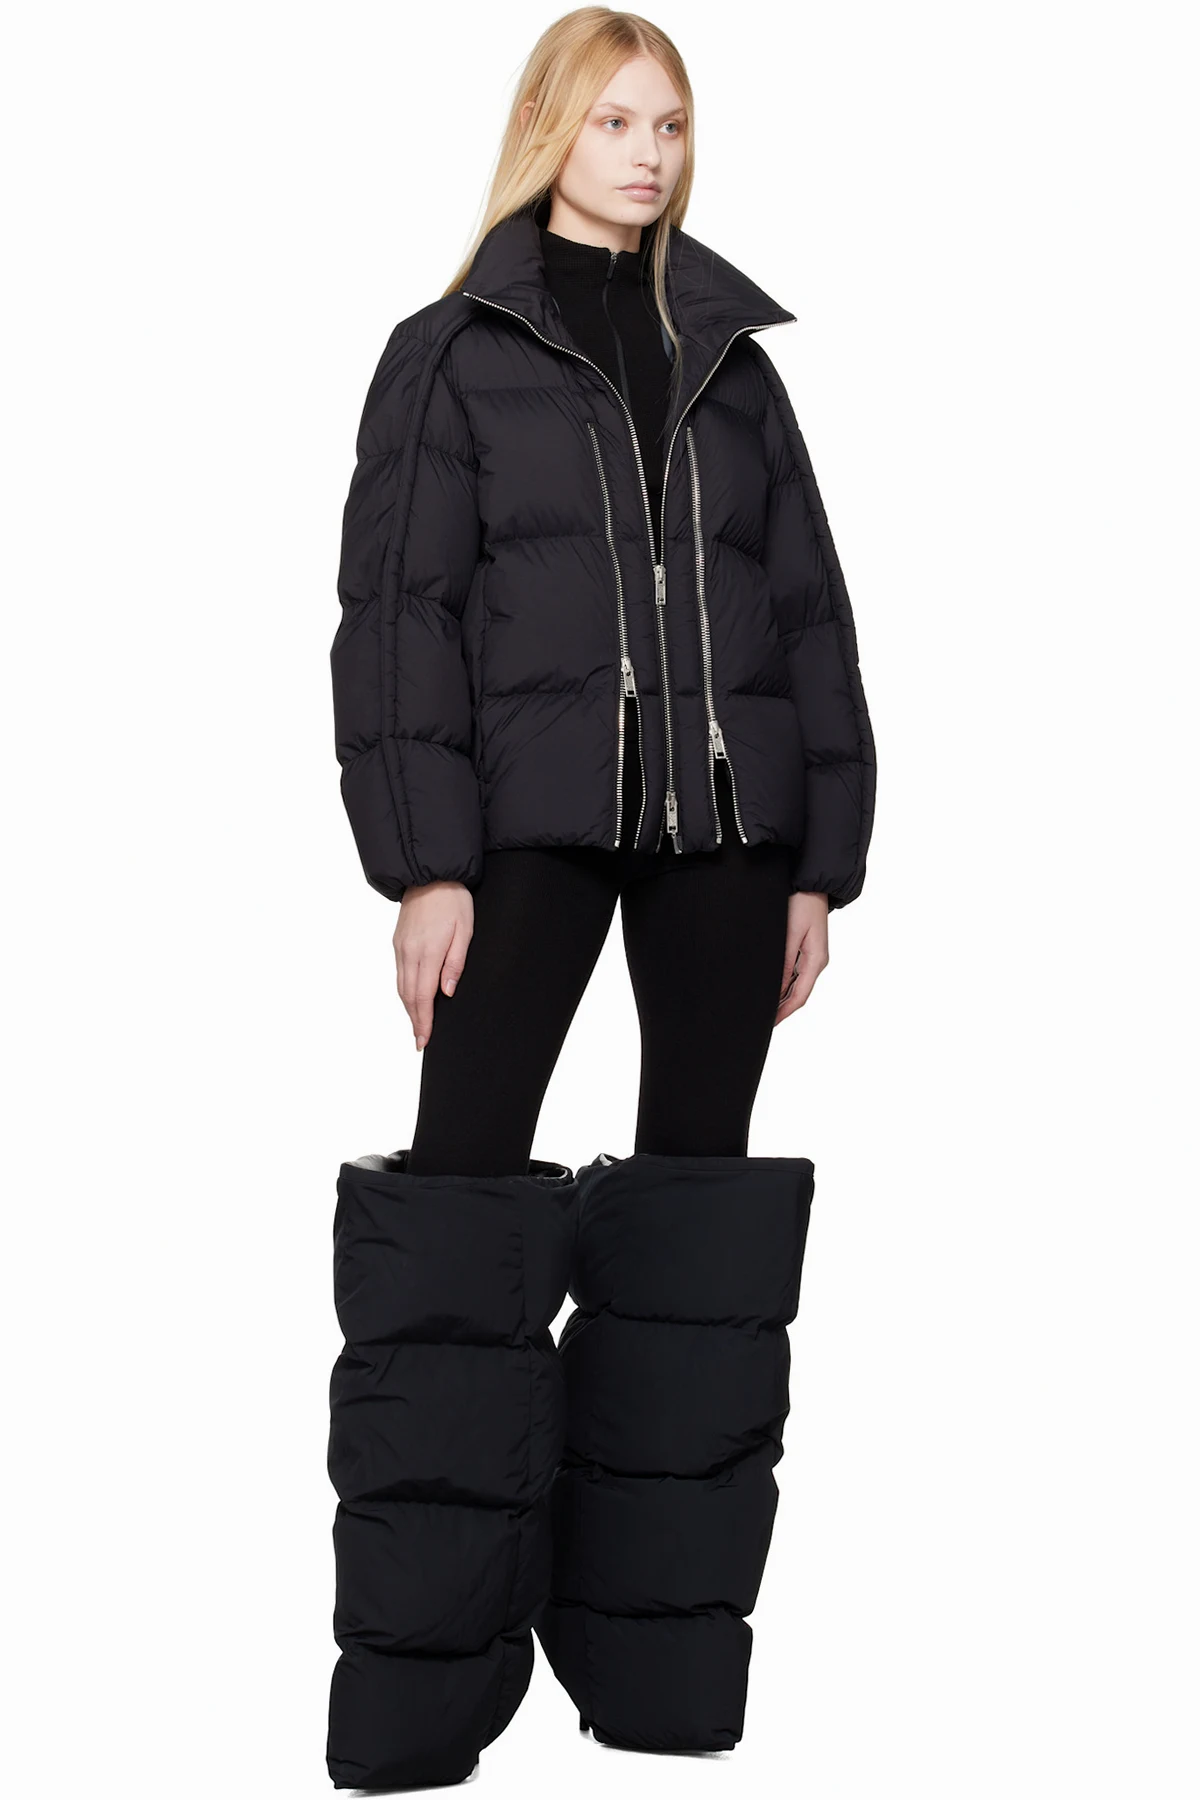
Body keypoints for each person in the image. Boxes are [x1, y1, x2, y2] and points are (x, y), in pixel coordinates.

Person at [325, 9, 876, 1790]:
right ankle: (420, 1699)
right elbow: (398, 621)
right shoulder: (449, 354)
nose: (648, 154)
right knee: (455, 1220)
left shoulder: (733, 363)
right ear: (549, 129)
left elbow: (808, 611)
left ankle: (655, 1685)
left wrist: (820, 860)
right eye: (617, 120)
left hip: (728, 840)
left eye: (670, 125)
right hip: (528, 832)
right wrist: (426, 860)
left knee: (699, 1258)